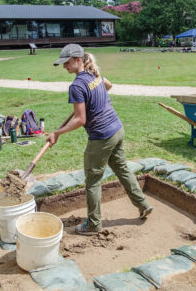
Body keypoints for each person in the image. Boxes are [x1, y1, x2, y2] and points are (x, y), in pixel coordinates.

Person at [48, 44, 153, 235]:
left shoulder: (77, 86)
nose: (65, 67)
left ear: (78, 59)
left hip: (102, 137)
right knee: (122, 169)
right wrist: (94, 99)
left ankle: (94, 224)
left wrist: (56, 133)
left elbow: (80, 120)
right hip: (117, 129)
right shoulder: (94, 74)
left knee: (93, 180)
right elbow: (109, 85)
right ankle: (143, 203)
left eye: (67, 62)